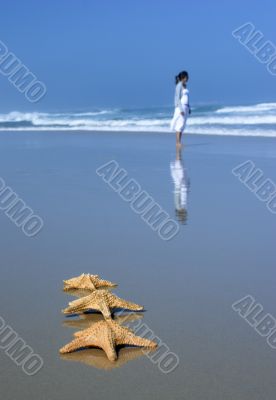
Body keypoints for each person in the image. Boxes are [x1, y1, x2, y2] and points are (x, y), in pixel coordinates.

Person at [170, 71, 191, 147]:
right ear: (183, 77)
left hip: (185, 107)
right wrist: (181, 109)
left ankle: (179, 142)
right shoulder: (179, 85)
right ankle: (177, 142)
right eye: (186, 77)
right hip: (180, 107)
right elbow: (178, 98)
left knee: (182, 125)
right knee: (179, 124)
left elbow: (187, 98)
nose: (188, 78)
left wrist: (189, 107)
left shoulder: (185, 85)